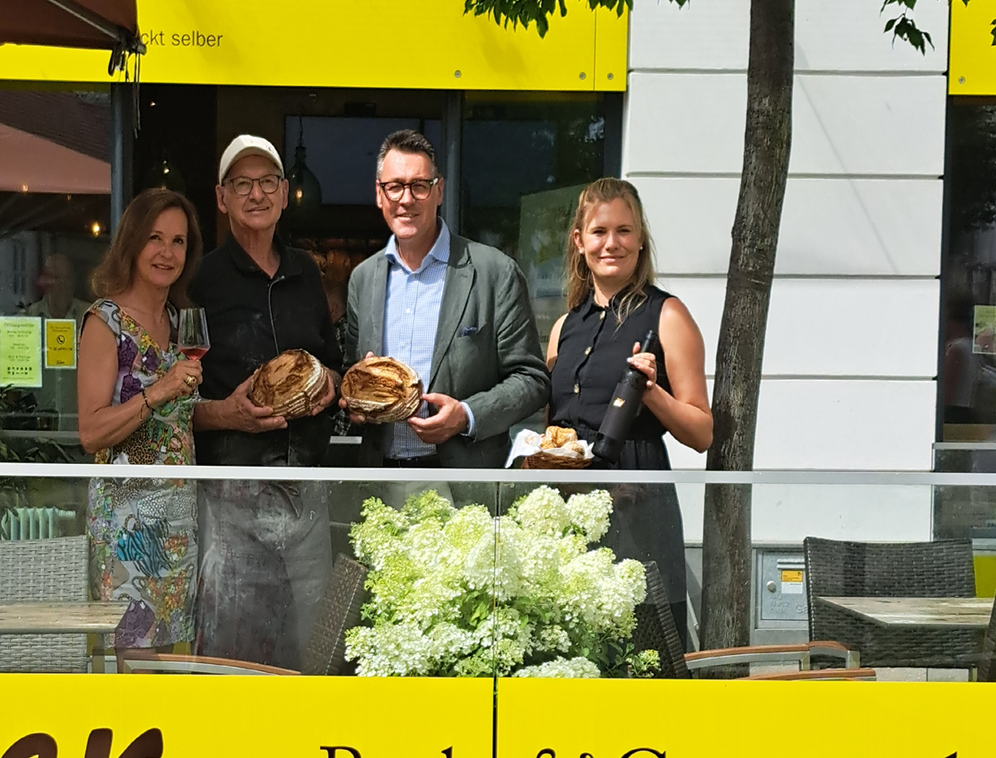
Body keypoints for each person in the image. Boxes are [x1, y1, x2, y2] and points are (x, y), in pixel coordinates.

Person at [190, 134, 343, 668]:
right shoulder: (200, 279)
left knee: (313, 645)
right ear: (221, 197)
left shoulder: (306, 272)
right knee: (233, 645)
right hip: (231, 495)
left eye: (267, 182)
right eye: (242, 184)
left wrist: (329, 384)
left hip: (306, 490)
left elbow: (332, 362)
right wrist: (225, 413)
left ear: (283, 194)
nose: (256, 194)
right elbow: (171, 400)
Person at [545, 177, 713, 645]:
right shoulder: (563, 327)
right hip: (569, 503)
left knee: (643, 644)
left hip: (639, 502)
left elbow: (702, 432)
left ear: (641, 240)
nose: (611, 243)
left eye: (624, 230)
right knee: (573, 641)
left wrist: (652, 393)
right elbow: (553, 425)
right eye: (599, 232)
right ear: (579, 241)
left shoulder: (668, 315)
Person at [343, 128, 550, 469]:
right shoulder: (363, 279)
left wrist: (467, 415)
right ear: (380, 194)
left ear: (439, 191)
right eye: (395, 186)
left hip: (462, 479)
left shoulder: (494, 272)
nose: (406, 199)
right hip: (381, 476)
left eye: (419, 186)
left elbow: (532, 380)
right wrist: (357, 400)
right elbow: (351, 371)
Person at [77, 188, 205, 651]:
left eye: (178, 241)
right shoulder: (105, 321)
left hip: (178, 522)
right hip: (127, 526)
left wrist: (231, 408)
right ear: (132, 242)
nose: (167, 252)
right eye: (155, 238)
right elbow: (91, 432)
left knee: (175, 658)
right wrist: (159, 390)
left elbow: (177, 421)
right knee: (130, 657)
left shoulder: (178, 320)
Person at [24, 253, 92, 435]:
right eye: (54, 277)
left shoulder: (91, 318)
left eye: (66, 278)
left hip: (81, 436)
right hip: (37, 437)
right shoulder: (27, 321)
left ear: (74, 281)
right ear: (44, 281)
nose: (61, 284)